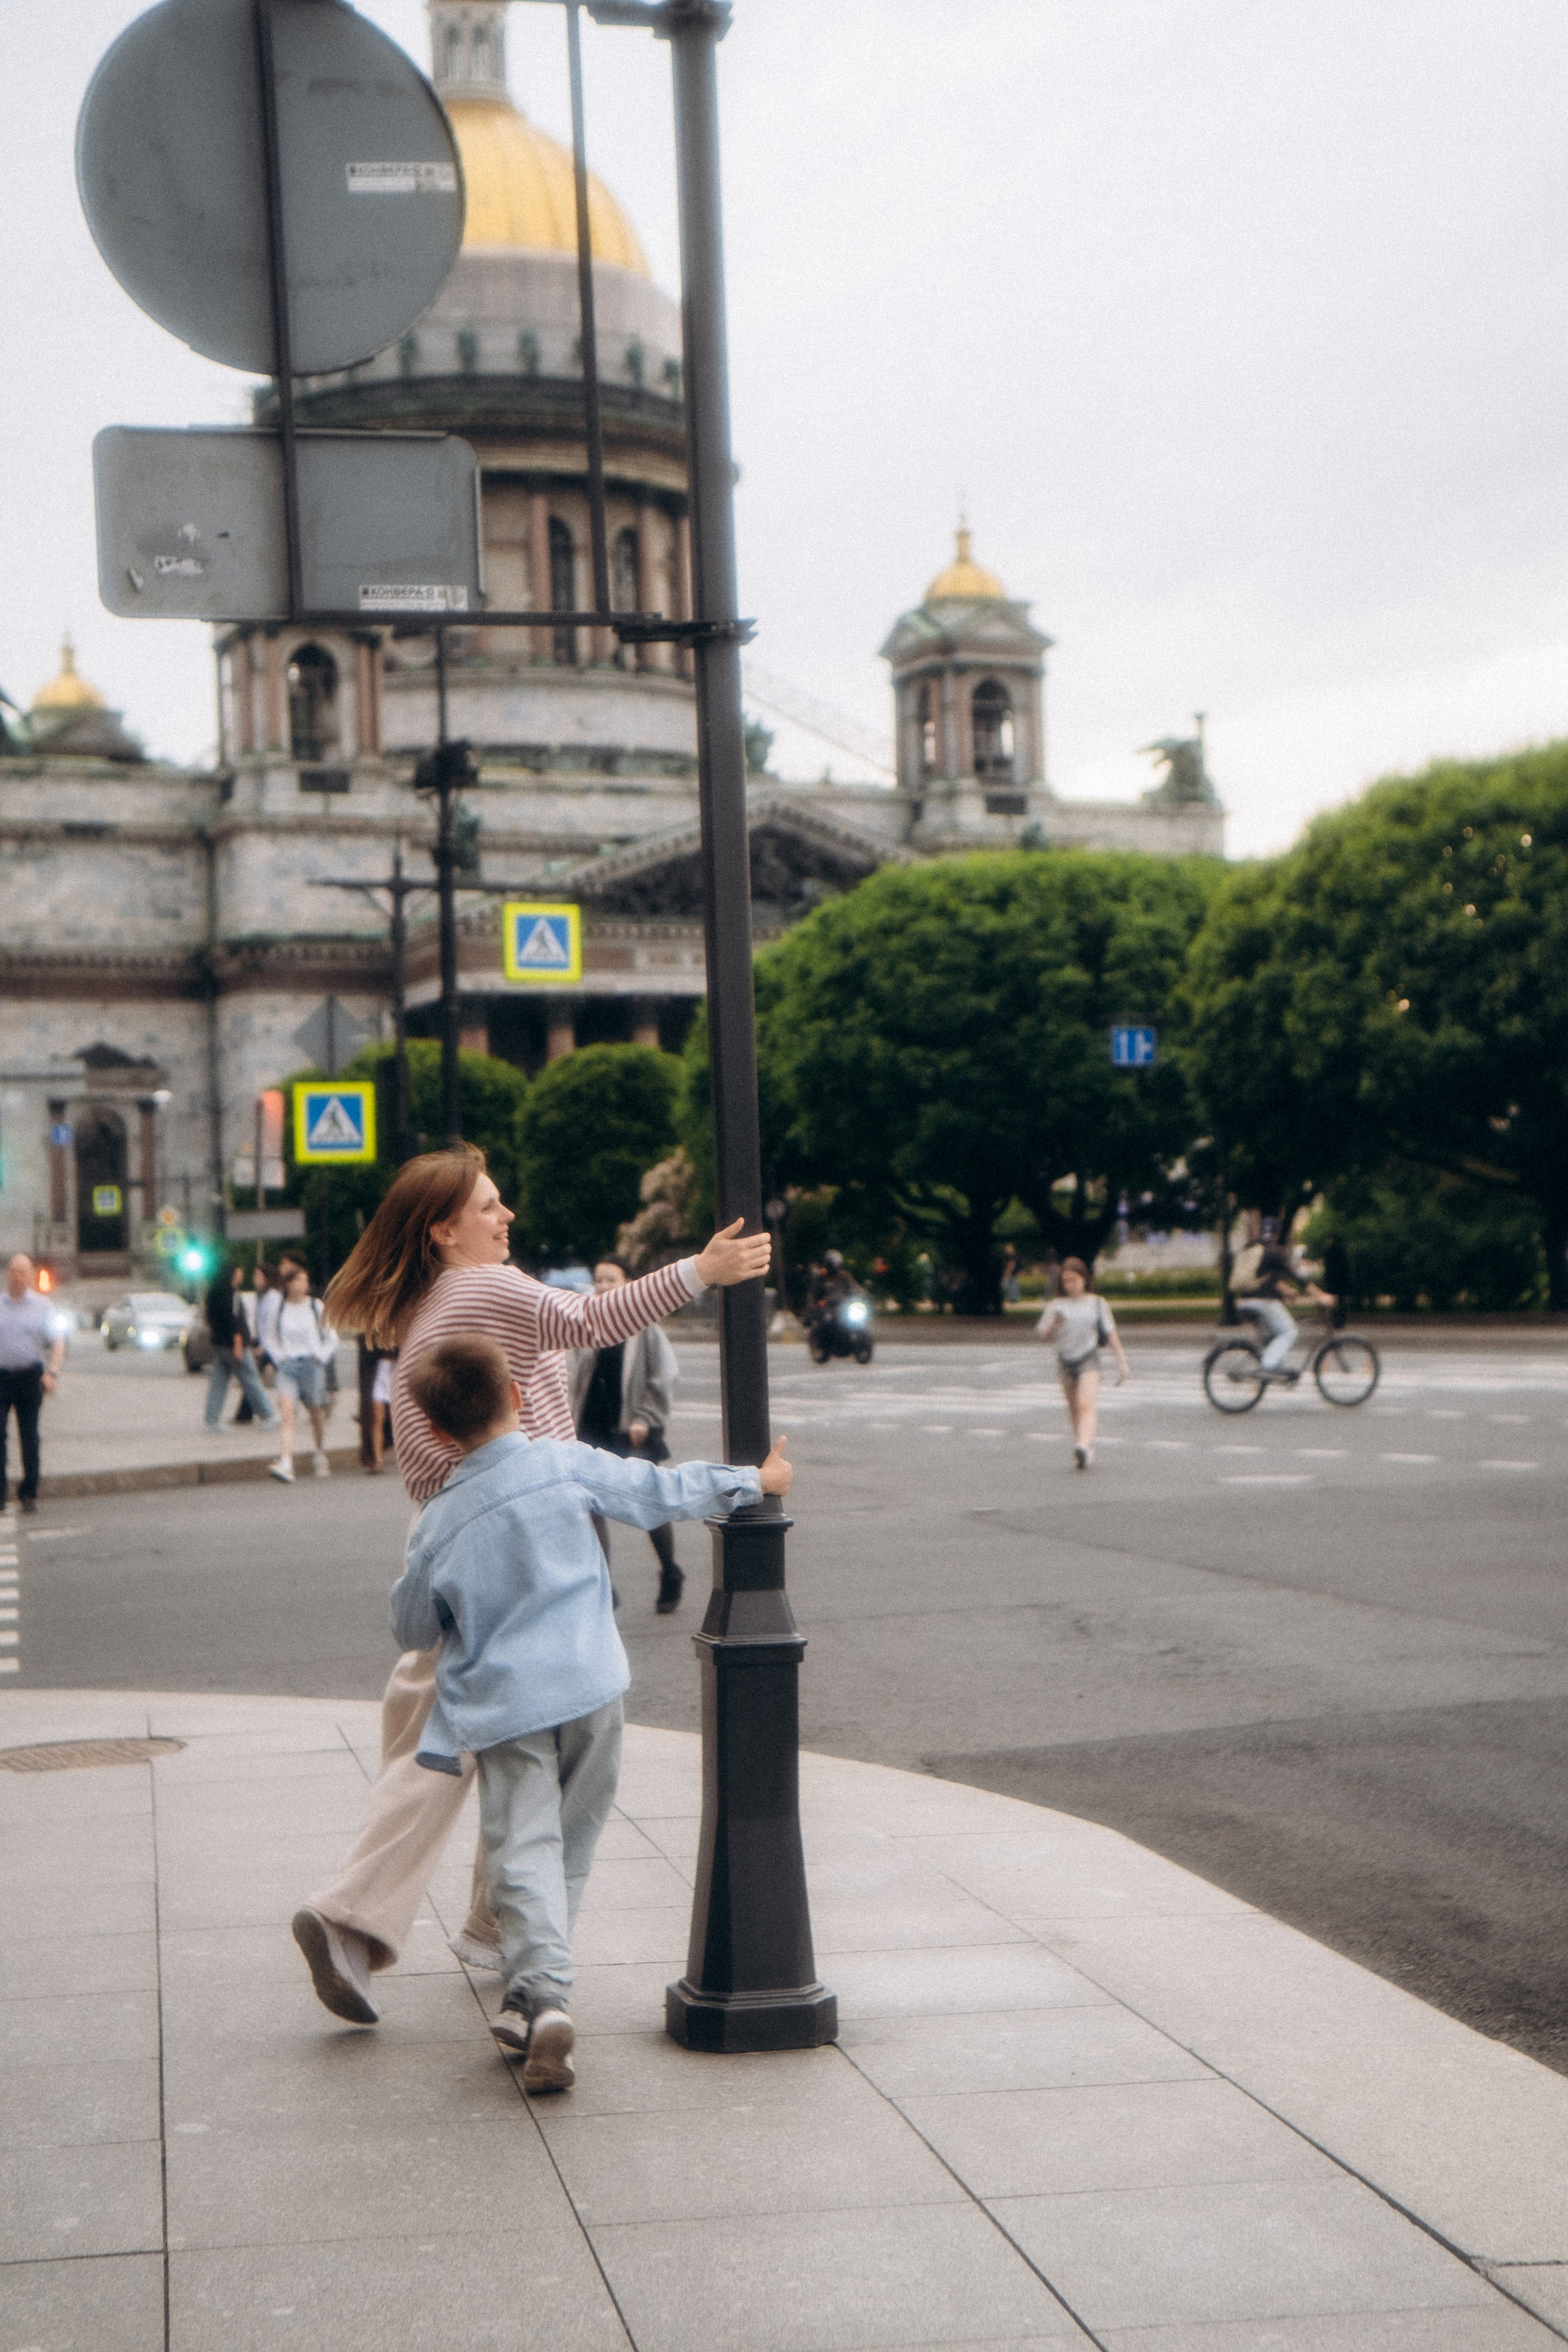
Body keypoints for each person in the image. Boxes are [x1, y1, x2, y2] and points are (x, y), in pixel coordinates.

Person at [288, 1144, 771, 2026]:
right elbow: (596, 1319)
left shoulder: (433, 1305)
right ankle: (356, 1917)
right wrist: (702, 1269)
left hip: (454, 1534)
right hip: (502, 1541)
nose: (506, 1218)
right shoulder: (480, 1291)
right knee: (448, 1754)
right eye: (488, 1206)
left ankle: (479, 1928)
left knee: (457, 1746)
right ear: (442, 1231)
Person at [385, 1333, 791, 2089]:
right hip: (593, 1687)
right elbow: (658, 1492)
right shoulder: (564, 1463)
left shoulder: (439, 1518)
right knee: (570, 1846)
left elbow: (411, 1627)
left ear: (438, 1433)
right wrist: (754, 1479)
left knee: (521, 1851)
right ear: (516, 1397)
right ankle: (533, 1995)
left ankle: (545, 2000)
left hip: (508, 1707)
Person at [569, 1256, 684, 1614]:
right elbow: (571, 1375)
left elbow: (663, 1376)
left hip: (632, 1428)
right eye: (598, 1280)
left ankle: (670, 1570)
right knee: (591, 1506)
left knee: (647, 1502)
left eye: (611, 1280)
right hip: (592, 1424)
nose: (603, 1287)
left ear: (629, 1284)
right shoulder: (587, 1322)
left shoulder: (644, 1324)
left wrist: (645, 1418)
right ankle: (604, 1586)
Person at [1035, 1256, 1129, 1469]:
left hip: (1089, 1358)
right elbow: (1042, 1335)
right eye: (1066, 1281)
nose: (1070, 1285)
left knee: (1086, 1403)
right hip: (1065, 1360)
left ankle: (1084, 1446)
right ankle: (1082, 1445)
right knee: (1074, 1407)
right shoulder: (1057, 1306)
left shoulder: (1097, 1303)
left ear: (1084, 1279)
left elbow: (1111, 1332)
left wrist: (1122, 1361)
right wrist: (1053, 1326)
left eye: (1074, 1280)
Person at [0, 1255, 64, 1516]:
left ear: (31, 1275)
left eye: (23, 1272)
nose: (18, 1277)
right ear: (7, 1274)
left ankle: (28, 1492)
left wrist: (52, 1373)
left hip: (30, 1377)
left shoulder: (43, 1306)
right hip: (1, 1378)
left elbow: (58, 1340)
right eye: (14, 1272)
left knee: (30, 1437)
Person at [268, 1262, 337, 1483]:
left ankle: (319, 1453)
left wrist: (320, 1356)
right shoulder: (279, 1308)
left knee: (316, 1414)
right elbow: (270, 1337)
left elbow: (332, 1336)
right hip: (288, 1367)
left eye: (305, 1280)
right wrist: (280, 1358)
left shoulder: (316, 1307)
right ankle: (286, 1462)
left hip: (312, 1365)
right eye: (299, 1280)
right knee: (287, 1413)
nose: (304, 1284)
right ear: (289, 1284)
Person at [1235, 1228, 1330, 1376]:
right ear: (1277, 1235)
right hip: (1263, 1302)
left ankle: (1275, 1366)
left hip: (1244, 1302)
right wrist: (1321, 1296)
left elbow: (1268, 1281)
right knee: (1289, 1331)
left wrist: (1287, 1292)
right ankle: (1268, 1367)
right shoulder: (1275, 1252)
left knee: (1275, 1335)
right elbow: (1297, 1278)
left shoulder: (1257, 1251)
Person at [203, 1260, 279, 1433]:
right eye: (238, 1272)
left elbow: (213, 1320)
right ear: (231, 1274)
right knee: (251, 1379)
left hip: (219, 1344)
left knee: (219, 1382)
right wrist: (238, 1343)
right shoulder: (232, 1294)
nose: (242, 1276)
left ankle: (212, 1420)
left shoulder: (213, 1293)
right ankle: (268, 1415)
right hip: (235, 1345)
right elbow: (234, 1321)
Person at [356, 1336, 396, 1474]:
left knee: (402, 1416)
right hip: (378, 1373)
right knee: (378, 1417)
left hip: (396, 1370)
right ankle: (377, 1459)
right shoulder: (371, 1327)